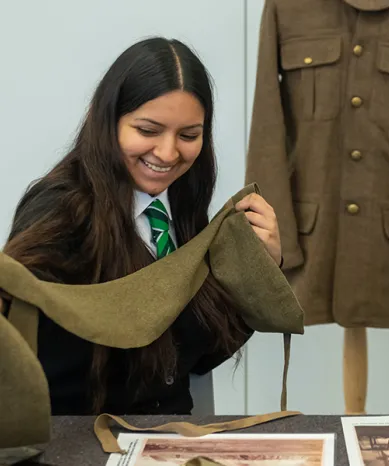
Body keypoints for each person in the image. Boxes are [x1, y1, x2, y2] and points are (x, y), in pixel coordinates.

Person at [2, 37, 283, 415]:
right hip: (80, 438)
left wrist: (258, 268)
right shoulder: (58, 213)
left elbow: (193, 360)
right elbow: (34, 356)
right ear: (107, 121)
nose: (168, 153)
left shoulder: (181, 209)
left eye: (188, 135)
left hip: (167, 435)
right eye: (148, 130)